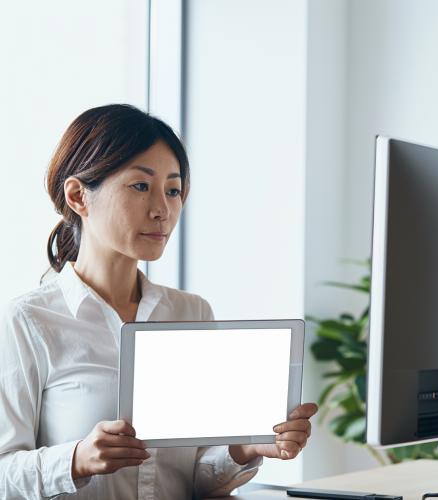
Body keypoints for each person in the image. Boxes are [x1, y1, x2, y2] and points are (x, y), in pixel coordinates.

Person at [0, 104, 318, 500]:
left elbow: (196, 475)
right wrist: (77, 459)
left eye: (173, 189)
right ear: (79, 196)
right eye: (140, 186)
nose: (163, 210)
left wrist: (245, 448)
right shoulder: (29, 320)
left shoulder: (192, 313)